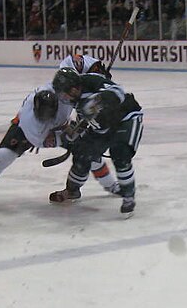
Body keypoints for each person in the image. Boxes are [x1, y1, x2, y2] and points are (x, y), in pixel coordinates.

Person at [48, 67, 143, 217]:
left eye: (63, 93)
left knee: (120, 154)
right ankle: (72, 190)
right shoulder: (74, 99)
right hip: (102, 127)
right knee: (82, 154)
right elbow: (85, 120)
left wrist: (97, 101)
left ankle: (128, 197)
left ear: (73, 89)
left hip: (126, 119)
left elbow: (118, 91)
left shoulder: (91, 81)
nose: (62, 98)